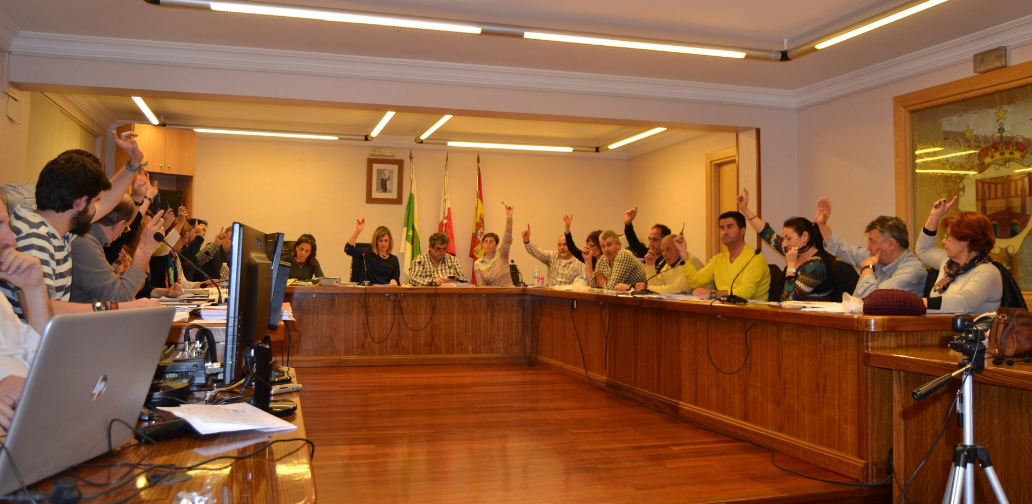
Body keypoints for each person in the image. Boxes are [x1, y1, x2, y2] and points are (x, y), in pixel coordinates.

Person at [0, 131, 157, 318]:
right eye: (94, 201)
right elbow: (41, 311)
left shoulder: (56, 226)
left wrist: (133, 164)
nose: (98, 209)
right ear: (81, 203)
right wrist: (120, 308)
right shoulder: (35, 237)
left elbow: (107, 201)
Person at [0, 196, 52, 433]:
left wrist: (34, 288)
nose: (11, 240)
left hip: (34, 425)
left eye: (7, 225)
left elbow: (39, 355)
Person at [814, 198, 926, 298]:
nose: (868, 248)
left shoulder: (912, 271)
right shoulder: (879, 257)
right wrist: (822, 225)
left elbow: (874, 299)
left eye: (872, 242)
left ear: (891, 244)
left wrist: (868, 268)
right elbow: (843, 249)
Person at [738, 188, 835, 301]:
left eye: (789, 238)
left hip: (812, 317)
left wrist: (791, 265)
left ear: (804, 236)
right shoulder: (795, 252)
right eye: (784, 239)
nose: (785, 244)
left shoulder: (817, 263)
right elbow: (767, 233)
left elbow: (789, 299)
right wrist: (745, 209)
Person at [69, 196, 169, 304]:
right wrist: (145, 248)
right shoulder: (84, 243)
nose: (122, 233)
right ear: (120, 224)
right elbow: (118, 298)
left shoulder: (88, 239)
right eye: (126, 228)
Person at [917, 196, 1001, 313]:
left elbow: (964, 303)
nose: (944, 240)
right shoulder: (947, 261)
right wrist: (934, 216)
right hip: (939, 329)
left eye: (948, 236)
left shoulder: (987, 271)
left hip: (971, 331)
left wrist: (917, 303)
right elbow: (924, 250)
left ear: (965, 240)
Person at [674, 211, 770, 300]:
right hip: (726, 311)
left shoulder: (755, 257)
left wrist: (712, 294)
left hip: (752, 313)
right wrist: (683, 253)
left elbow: (747, 292)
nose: (725, 232)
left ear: (742, 231)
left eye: (730, 226)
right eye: (722, 228)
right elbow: (695, 281)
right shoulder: (718, 259)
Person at [346, 220, 401, 285]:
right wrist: (358, 231)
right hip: (368, 291)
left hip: (386, 293)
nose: (383, 244)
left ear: (390, 241)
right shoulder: (367, 254)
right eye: (380, 241)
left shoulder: (394, 260)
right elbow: (348, 249)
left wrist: (395, 282)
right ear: (376, 241)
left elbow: (397, 281)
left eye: (386, 241)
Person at [474, 205, 514, 286]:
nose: (488, 244)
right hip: (491, 296)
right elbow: (480, 285)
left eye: (491, 242)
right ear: (482, 244)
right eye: (486, 242)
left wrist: (509, 217)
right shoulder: (477, 263)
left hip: (508, 294)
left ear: (496, 245)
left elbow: (507, 238)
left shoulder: (502, 254)